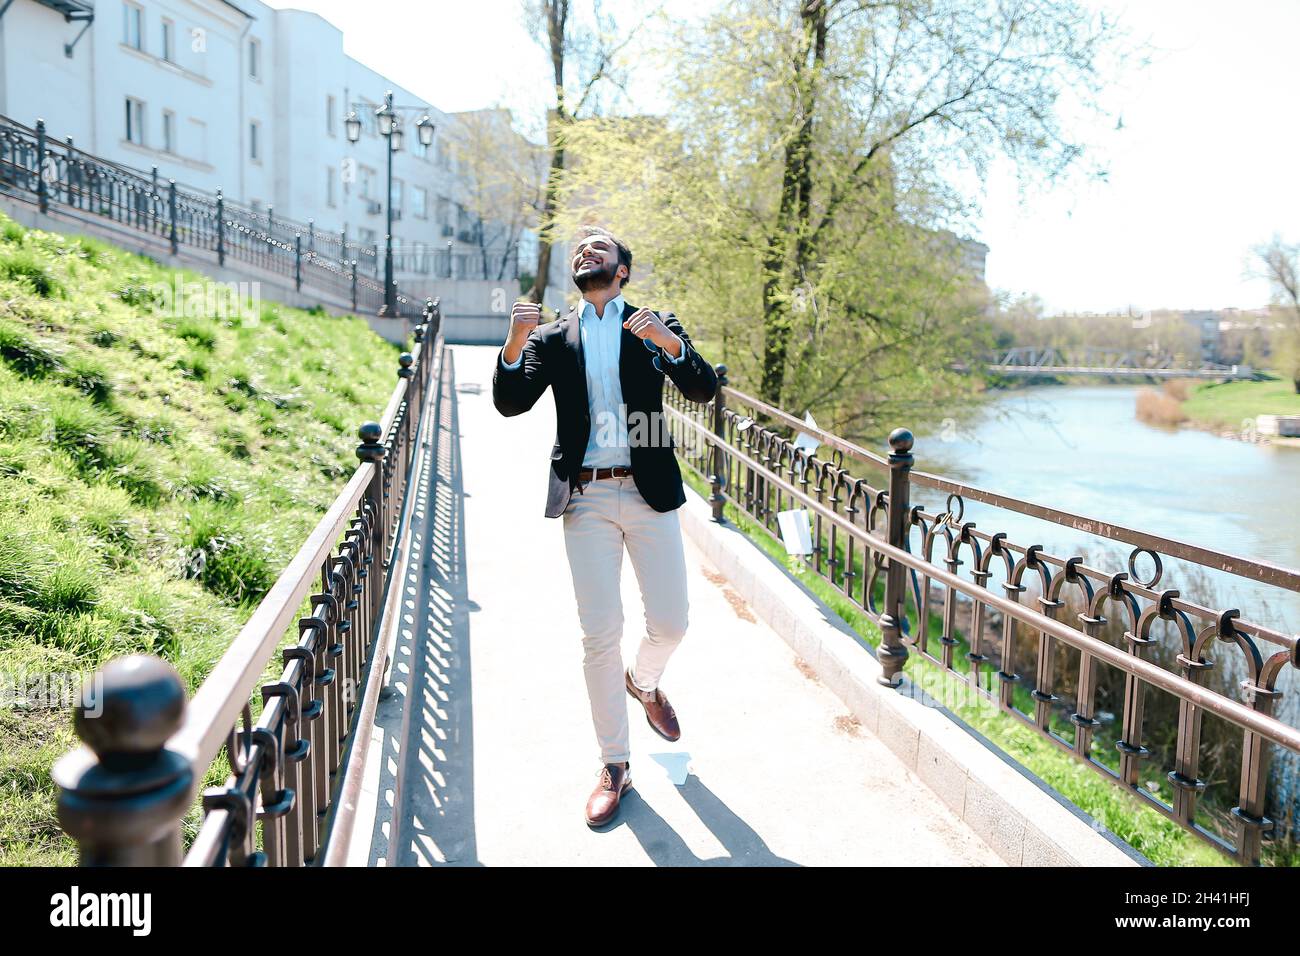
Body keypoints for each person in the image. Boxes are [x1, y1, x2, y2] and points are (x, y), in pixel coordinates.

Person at [492, 225, 718, 827]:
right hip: (586, 497)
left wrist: (671, 345)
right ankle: (614, 764)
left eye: (601, 247)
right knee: (600, 634)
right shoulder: (551, 335)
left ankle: (644, 683)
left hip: (649, 494)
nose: (586, 250)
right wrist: (514, 343)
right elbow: (510, 402)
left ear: (623, 271)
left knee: (671, 623)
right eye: (580, 249)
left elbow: (703, 387)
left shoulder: (649, 324)